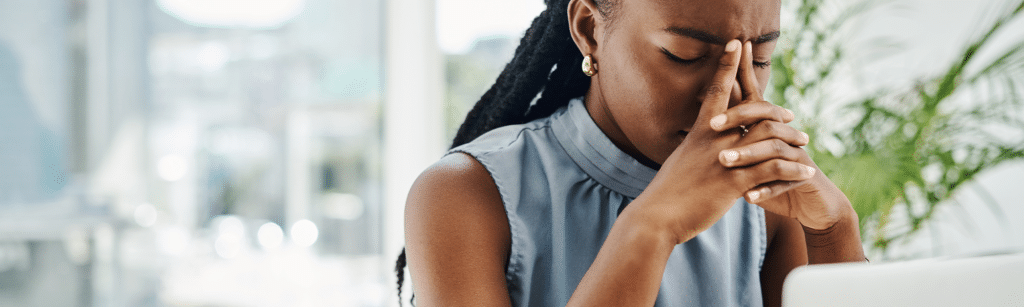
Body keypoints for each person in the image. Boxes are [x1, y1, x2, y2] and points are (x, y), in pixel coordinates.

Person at [397, 0, 867, 305]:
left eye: (759, 58)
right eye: (684, 55)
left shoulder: (766, 205)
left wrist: (834, 230)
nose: (733, 94)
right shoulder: (467, 194)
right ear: (589, 29)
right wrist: (651, 227)